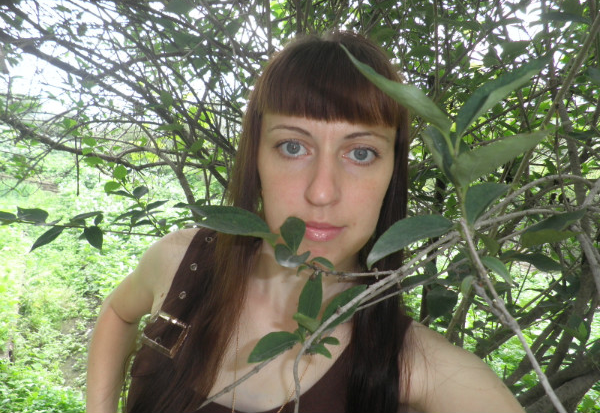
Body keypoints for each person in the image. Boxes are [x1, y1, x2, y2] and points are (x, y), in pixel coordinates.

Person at [86, 31, 524, 413]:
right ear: (256, 157)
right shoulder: (181, 263)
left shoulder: (414, 363)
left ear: (392, 173)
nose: (322, 192)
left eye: (361, 153)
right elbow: (118, 314)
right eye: (293, 147)